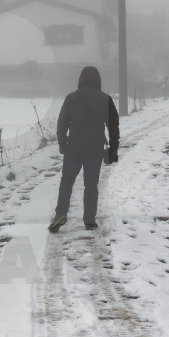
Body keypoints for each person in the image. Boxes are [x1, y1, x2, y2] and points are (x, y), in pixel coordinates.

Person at [50, 65, 119, 232]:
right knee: (91, 183)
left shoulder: (71, 98)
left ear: (81, 79)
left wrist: (62, 143)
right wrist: (113, 149)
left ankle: (60, 214)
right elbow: (113, 126)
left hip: (74, 145)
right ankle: (89, 220)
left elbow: (62, 123)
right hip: (95, 147)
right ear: (98, 80)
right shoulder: (105, 99)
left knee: (66, 181)